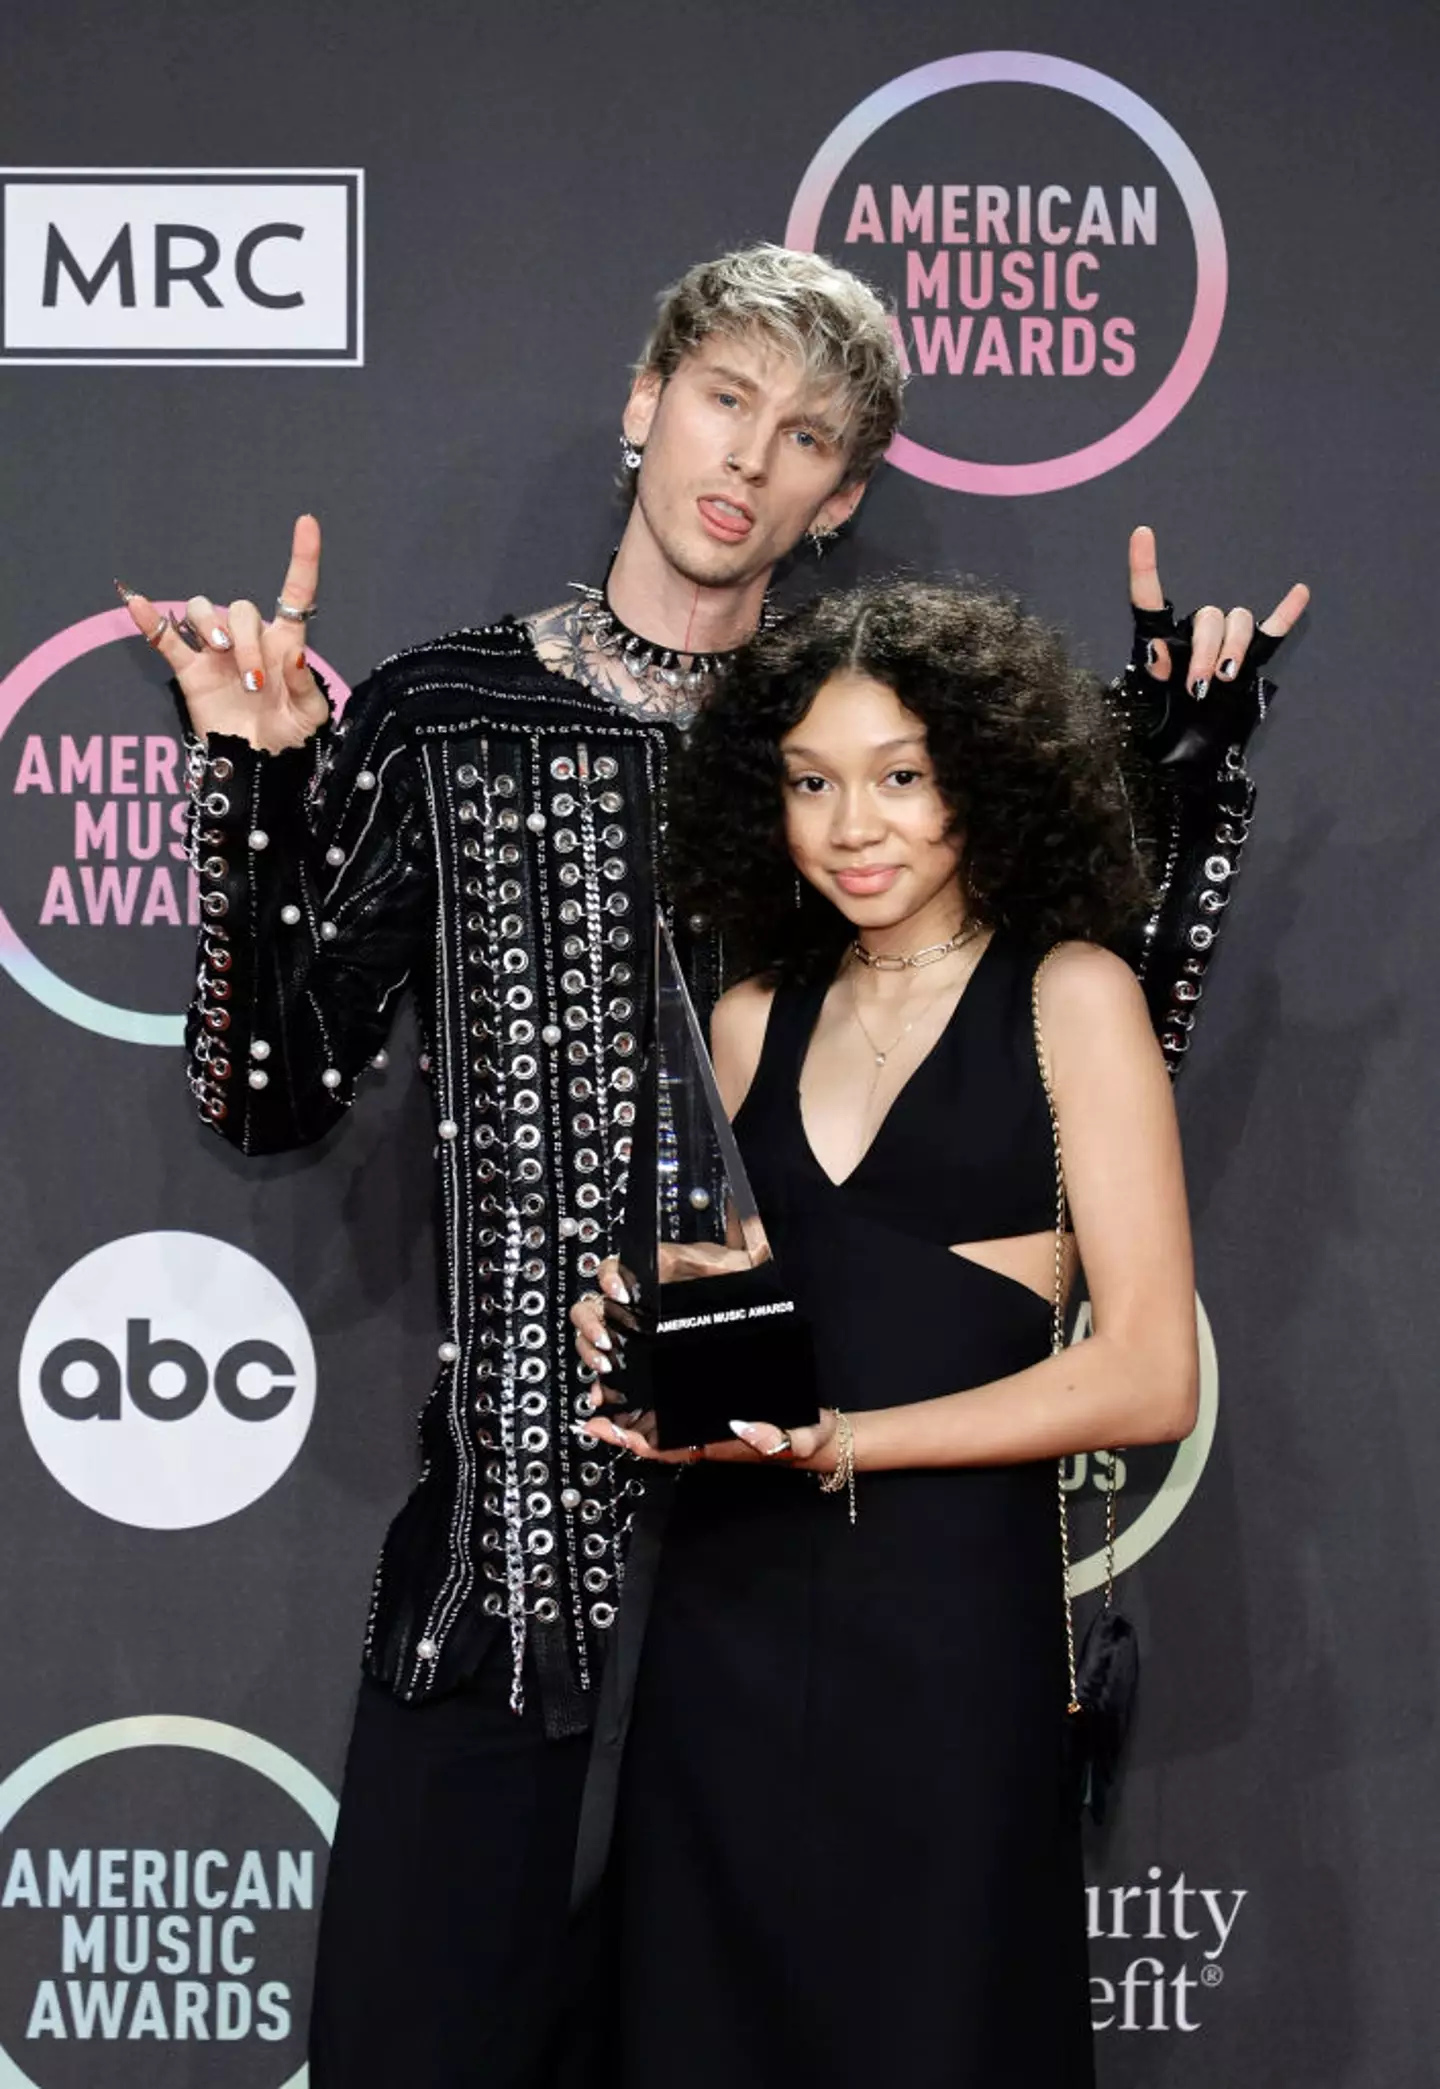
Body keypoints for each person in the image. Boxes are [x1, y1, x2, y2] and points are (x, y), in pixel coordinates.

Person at [120, 242, 1301, 2088]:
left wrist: (1178, 792)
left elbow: (1047, 1079)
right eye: (726, 398)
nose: (749, 455)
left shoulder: (841, 758)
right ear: (645, 407)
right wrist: (257, 790)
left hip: (804, 1583)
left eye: (808, 433)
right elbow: (269, 1100)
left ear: (841, 497)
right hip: (511, 1575)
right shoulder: (446, 713)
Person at [570, 579, 1269, 2087]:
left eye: (900, 776)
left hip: (948, 1631)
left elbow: (1149, 1374)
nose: (851, 825)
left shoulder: (1072, 998)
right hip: (727, 1622)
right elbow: (750, 1303)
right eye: (812, 782)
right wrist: (636, 1323)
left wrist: (856, 1444)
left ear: (988, 776)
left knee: (936, 2031)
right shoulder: (756, 1013)